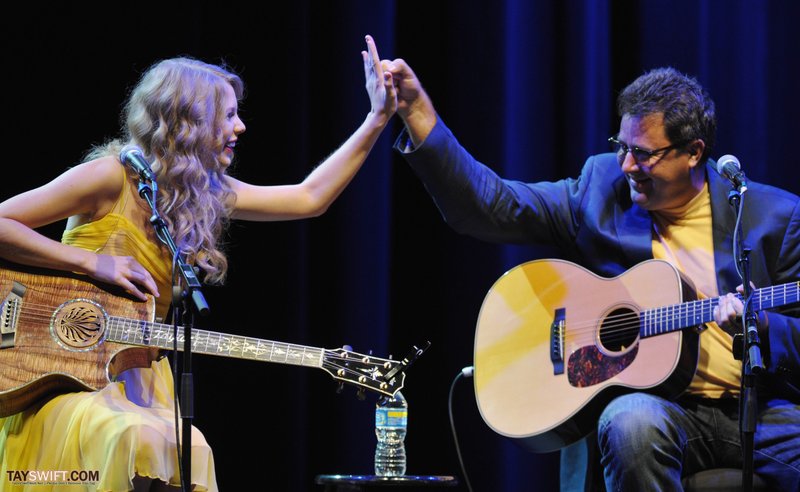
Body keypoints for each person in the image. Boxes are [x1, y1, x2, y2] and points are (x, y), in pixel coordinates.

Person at [382, 56, 800, 491]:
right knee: (631, 425)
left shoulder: (774, 218)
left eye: (643, 154)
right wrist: (416, 113)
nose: (626, 166)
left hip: (764, 410)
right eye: (621, 146)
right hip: (660, 409)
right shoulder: (599, 190)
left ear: (693, 152)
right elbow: (490, 205)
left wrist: (764, 325)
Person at [0, 35, 396, 491]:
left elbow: (309, 197)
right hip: (63, 379)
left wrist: (376, 118)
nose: (241, 127)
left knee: (191, 447)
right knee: (133, 437)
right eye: (228, 115)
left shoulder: (203, 196)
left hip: (141, 382)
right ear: (188, 122)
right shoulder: (110, 176)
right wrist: (91, 263)